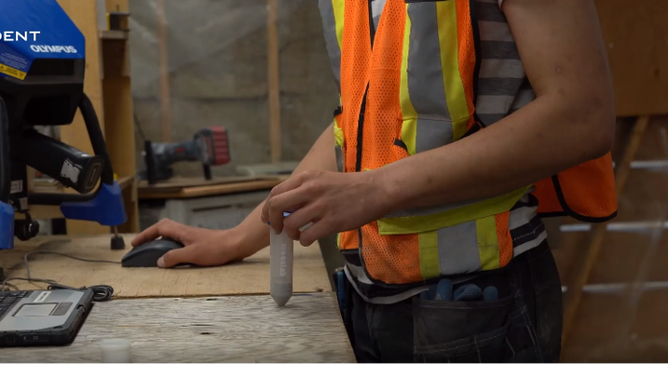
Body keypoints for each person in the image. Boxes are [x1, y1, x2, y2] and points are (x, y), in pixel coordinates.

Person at [133, 0, 617, 363]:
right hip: (369, 299)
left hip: (482, 302)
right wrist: (242, 235)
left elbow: (583, 116)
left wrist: (376, 189)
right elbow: (359, 122)